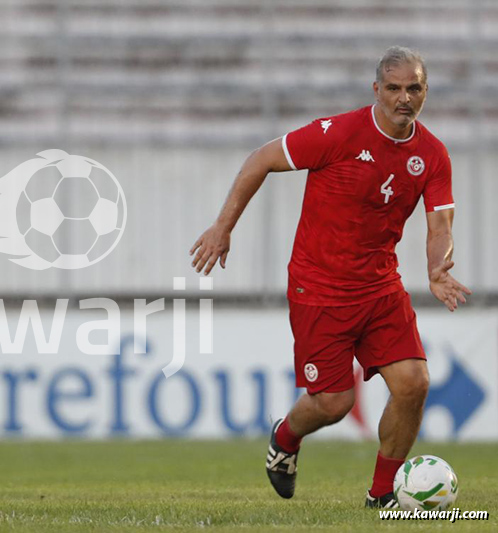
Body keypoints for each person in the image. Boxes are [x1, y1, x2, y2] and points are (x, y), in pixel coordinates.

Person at [189, 46, 471, 509]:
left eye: (414, 88)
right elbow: (261, 159)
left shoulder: (432, 154)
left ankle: (382, 494)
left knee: (414, 383)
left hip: (380, 287)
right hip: (319, 287)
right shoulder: (337, 134)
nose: (404, 98)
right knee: (334, 403)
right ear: (376, 89)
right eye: (394, 88)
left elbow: (441, 226)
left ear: (425, 91)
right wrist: (223, 227)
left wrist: (438, 266)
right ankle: (286, 437)